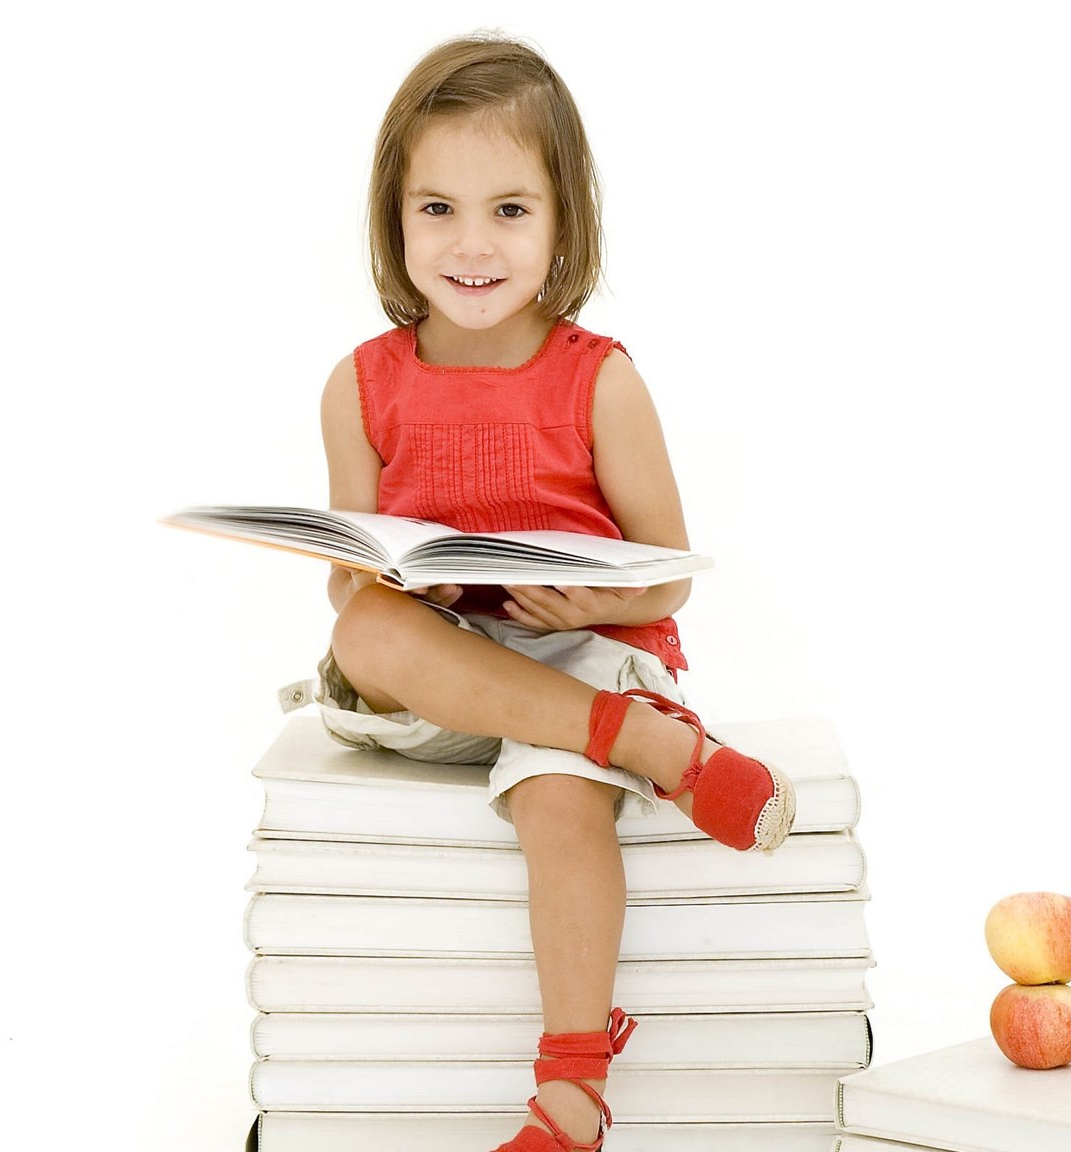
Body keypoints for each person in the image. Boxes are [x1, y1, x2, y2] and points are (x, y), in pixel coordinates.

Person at [292, 33, 795, 1152]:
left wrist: (595, 609)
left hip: (575, 654)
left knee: (560, 806)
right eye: (437, 209)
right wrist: (385, 574)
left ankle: (570, 1095)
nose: (471, 245)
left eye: (510, 210)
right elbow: (349, 576)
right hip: (446, 672)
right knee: (367, 628)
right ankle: (639, 741)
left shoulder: (597, 378)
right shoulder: (359, 385)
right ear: (393, 218)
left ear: (564, 221)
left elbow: (668, 568)